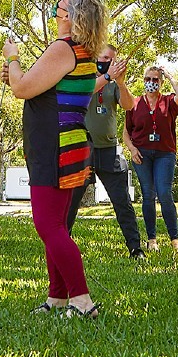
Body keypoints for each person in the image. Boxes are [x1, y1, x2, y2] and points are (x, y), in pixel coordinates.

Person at [3, 0, 106, 317]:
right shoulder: (82, 50)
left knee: (48, 226)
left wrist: (13, 59)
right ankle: (57, 297)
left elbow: (21, 87)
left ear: (70, 15)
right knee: (57, 223)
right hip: (68, 144)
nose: (56, 4)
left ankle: (81, 299)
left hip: (54, 146)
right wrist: (19, 75)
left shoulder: (63, 48)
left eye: (62, 2)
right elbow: (36, 86)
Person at [66, 47, 145, 260]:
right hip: (82, 150)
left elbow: (129, 105)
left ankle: (135, 249)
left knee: (122, 202)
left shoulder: (113, 85)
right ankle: (61, 246)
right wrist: (107, 76)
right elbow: (86, 91)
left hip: (109, 151)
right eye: (103, 57)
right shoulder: (83, 78)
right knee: (70, 203)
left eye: (111, 59)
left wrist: (120, 82)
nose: (106, 61)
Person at [127, 64, 178, 253]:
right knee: (148, 195)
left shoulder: (168, 101)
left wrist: (168, 75)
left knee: (164, 193)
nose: (151, 83)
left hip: (164, 153)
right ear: (143, 80)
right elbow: (126, 133)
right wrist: (132, 149)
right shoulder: (134, 103)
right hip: (142, 153)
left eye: (155, 79)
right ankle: (152, 239)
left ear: (160, 82)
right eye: (148, 79)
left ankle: (175, 239)